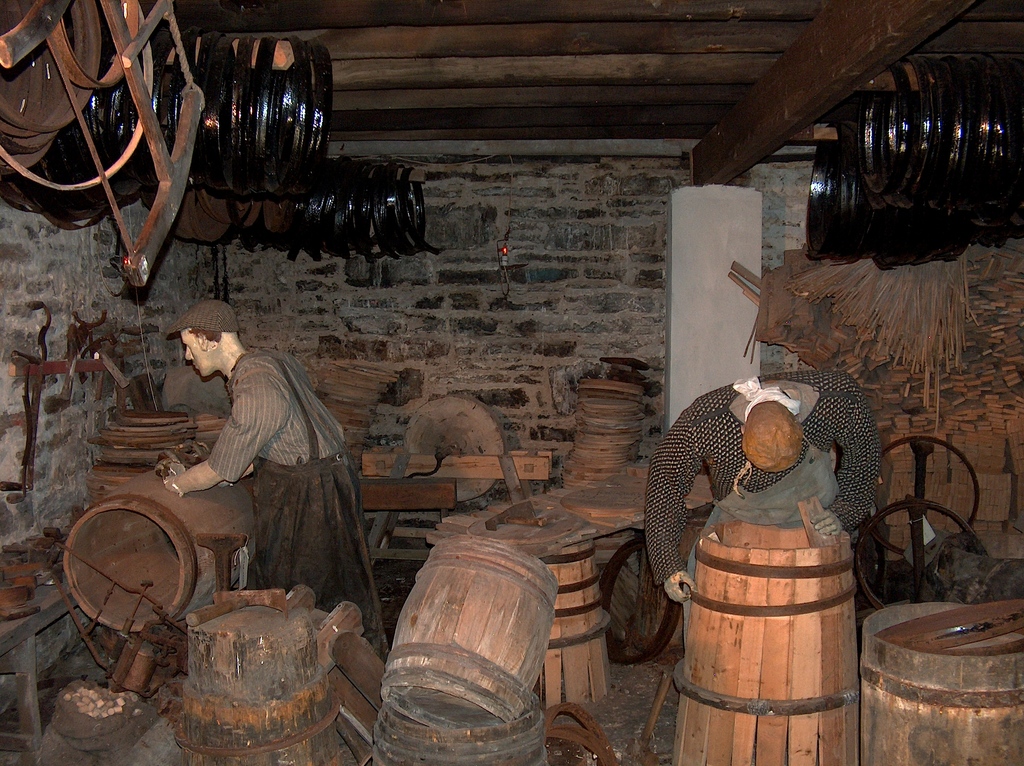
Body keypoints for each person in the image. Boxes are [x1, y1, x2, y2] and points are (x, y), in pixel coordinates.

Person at [161, 299, 387, 655]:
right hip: (326, 479)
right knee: (341, 586)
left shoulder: (255, 383)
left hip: (309, 495)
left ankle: (316, 671)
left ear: (208, 340)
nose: (188, 358)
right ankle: (347, 661)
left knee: (308, 596)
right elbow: (269, 440)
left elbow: (225, 466)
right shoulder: (274, 360)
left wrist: (179, 484)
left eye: (188, 347)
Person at [644, 369, 880, 603]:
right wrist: (667, 564)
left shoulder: (836, 401)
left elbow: (864, 460)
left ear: (799, 424)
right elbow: (666, 479)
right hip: (737, 519)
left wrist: (844, 512)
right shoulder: (706, 422)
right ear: (743, 430)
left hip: (816, 518)